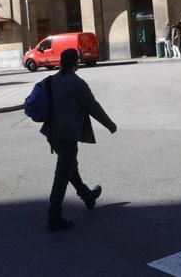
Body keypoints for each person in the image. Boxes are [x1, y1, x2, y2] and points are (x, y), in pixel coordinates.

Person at [40, 49, 117, 231]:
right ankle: (54, 216)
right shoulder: (76, 83)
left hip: (53, 134)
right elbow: (93, 107)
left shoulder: (52, 80)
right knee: (62, 175)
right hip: (67, 135)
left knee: (69, 168)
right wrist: (110, 125)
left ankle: (87, 196)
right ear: (76, 62)